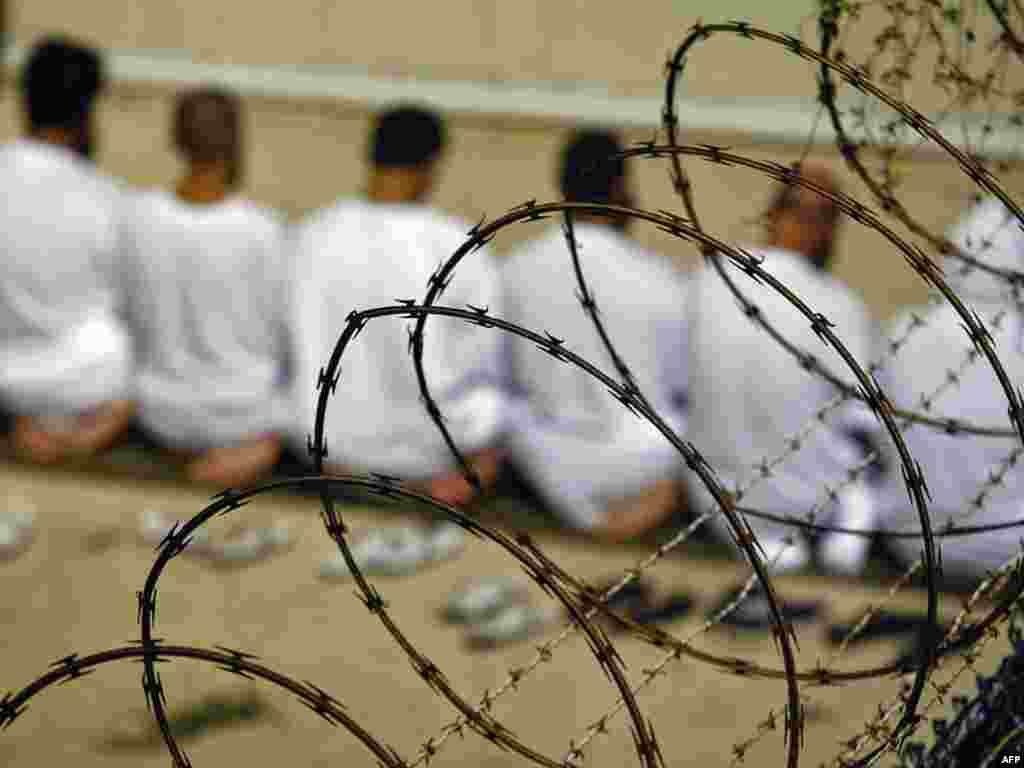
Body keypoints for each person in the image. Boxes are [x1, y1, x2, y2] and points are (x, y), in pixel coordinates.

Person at [686, 161, 880, 625]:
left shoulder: (710, 278)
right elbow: (868, 420)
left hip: (716, 503)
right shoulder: (841, 307)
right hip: (810, 506)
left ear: (773, 213)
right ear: (825, 229)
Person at [289, 104, 505, 512]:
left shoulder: (313, 234)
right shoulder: (457, 246)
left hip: (330, 452)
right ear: (430, 166)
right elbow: (483, 368)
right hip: (428, 463)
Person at [499, 129, 691, 543]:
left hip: (545, 463)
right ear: (621, 187)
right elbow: (683, 388)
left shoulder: (515, 271)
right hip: (644, 463)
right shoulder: (662, 281)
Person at [120, 87, 290, 488]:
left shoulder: (135, 218)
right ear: (236, 143)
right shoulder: (267, 232)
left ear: (175, 139)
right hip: (244, 417)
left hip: (159, 414)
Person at [0, 37, 135, 468]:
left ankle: (23, 424)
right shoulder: (108, 200)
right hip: (81, 382)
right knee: (119, 346)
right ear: (86, 113)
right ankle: (70, 437)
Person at [873, 197, 1024, 582]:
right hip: (1011, 547)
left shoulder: (903, 330)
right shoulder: (1017, 338)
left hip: (914, 542)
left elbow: (878, 437)